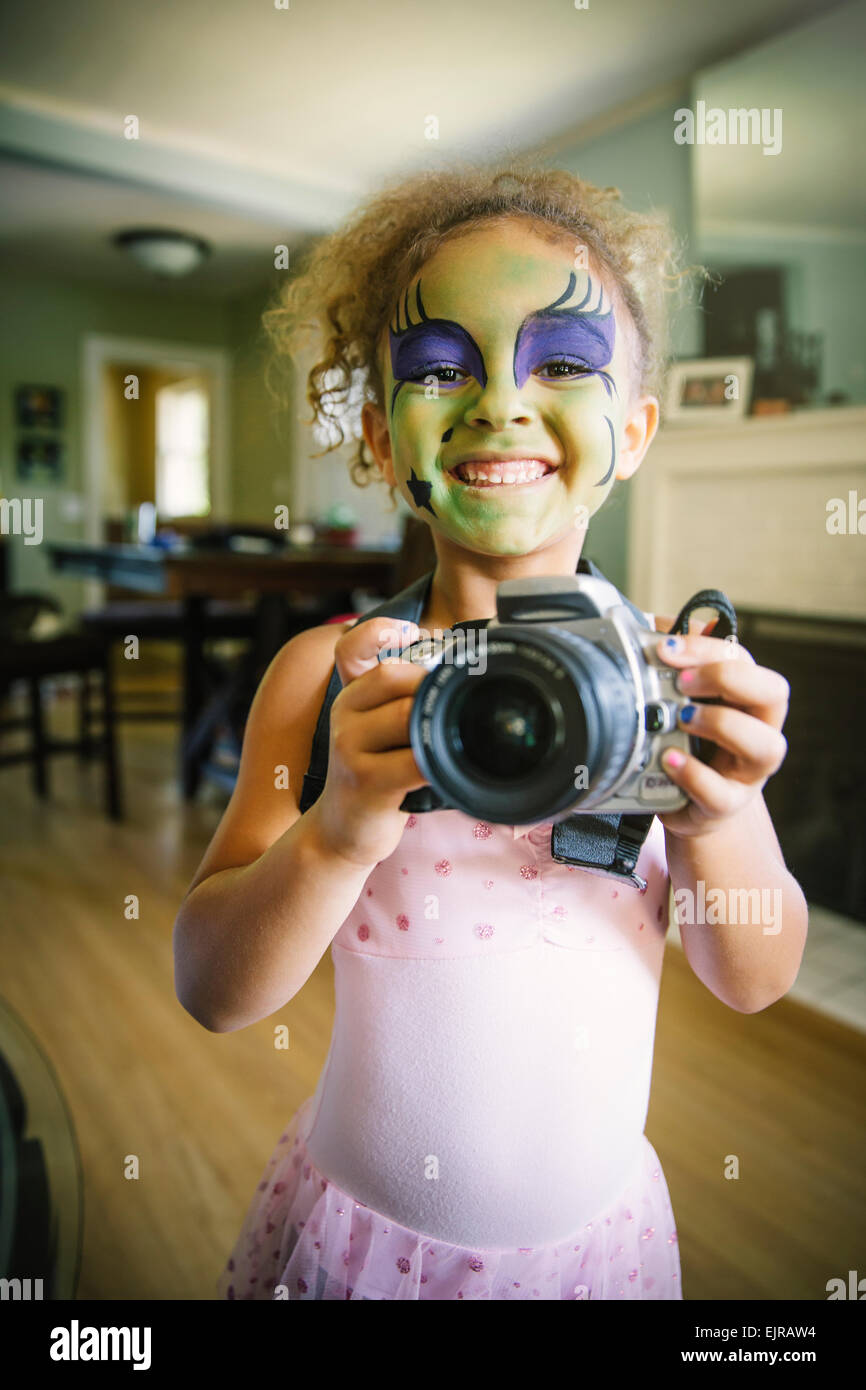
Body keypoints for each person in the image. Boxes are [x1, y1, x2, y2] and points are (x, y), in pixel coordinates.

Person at [173, 162, 808, 1300]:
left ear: (635, 428)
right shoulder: (329, 677)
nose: (501, 403)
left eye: (560, 363)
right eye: (437, 370)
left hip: (591, 1258)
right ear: (379, 437)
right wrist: (337, 829)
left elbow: (753, 980)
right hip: (361, 1241)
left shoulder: (670, 681)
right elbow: (214, 990)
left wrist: (726, 812)